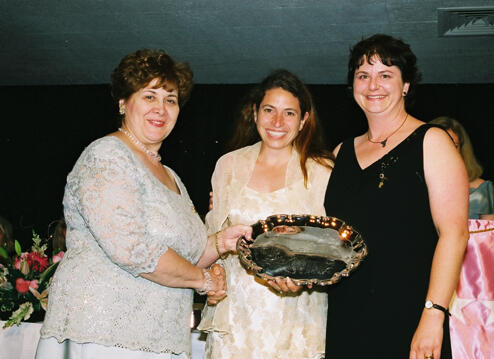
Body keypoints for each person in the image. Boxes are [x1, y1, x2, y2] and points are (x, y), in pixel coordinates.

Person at [35, 49, 251, 359]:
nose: (161, 109)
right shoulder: (107, 155)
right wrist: (204, 281)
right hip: (104, 331)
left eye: (170, 99)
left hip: (161, 335)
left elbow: (186, 253)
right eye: (149, 96)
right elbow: (133, 248)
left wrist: (219, 242)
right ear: (123, 102)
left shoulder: (172, 176)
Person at [323, 34, 469, 359]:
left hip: (411, 314)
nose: (373, 84)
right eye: (363, 75)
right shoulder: (340, 152)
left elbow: (455, 234)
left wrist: (434, 313)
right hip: (347, 314)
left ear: (405, 85)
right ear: (353, 87)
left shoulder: (432, 141)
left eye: (385, 74)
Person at [197, 69, 334, 359]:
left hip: (297, 318)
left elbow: (332, 249)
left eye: (289, 114)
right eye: (269, 110)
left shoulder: (323, 170)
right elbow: (211, 241)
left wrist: (304, 278)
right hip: (236, 318)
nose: (277, 122)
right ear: (255, 113)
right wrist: (214, 277)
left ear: (303, 121)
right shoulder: (228, 166)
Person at [429, 116, 494, 220]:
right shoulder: (415, 185)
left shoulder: (481, 189)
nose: (447, 151)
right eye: (442, 144)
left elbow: (492, 234)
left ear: (461, 150)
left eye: (454, 145)